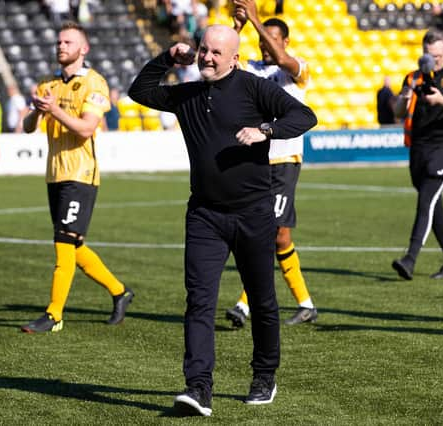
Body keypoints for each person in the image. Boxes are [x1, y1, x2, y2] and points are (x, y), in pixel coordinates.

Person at [128, 25, 317, 416]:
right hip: (205, 215)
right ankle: (199, 389)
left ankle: (265, 375)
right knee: (198, 301)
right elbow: (140, 91)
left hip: (254, 213)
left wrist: (266, 130)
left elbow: (304, 116)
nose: (207, 58)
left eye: (216, 53)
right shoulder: (188, 93)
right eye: (203, 51)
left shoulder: (253, 87)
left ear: (234, 57)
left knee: (263, 301)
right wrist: (168, 58)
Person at [20, 21, 134, 333]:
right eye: (58, 42)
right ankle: (120, 292)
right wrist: (36, 110)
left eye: (68, 42)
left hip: (80, 174)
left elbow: (86, 129)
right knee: (75, 245)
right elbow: (29, 127)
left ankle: (54, 314)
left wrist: (54, 110)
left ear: (83, 49)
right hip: (55, 173)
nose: (61, 47)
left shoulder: (94, 84)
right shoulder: (49, 84)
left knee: (63, 242)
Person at [224, 1, 317, 328]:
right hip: (256, 162)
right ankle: (306, 304)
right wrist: (238, 26)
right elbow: (220, 65)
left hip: (284, 161)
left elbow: (280, 57)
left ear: (285, 42)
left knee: (267, 233)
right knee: (279, 238)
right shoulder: (250, 68)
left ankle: (243, 305)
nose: (265, 45)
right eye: (261, 40)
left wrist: (256, 18)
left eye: (272, 40)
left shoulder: (296, 68)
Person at [391, 28, 443, 281]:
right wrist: (404, 96)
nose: (433, 60)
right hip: (418, 148)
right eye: (429, 55)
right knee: (433, 206)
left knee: (426, 201)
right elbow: (397, 113)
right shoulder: (413, 78)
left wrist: (441, 101)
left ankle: (410, 258)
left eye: (437, 56)